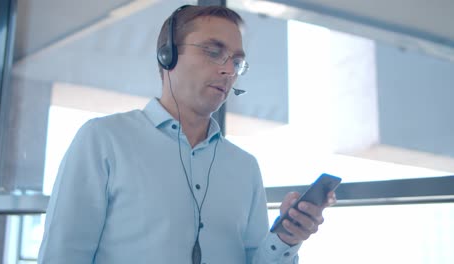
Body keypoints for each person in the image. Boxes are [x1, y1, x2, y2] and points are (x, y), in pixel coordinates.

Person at [38, 4, 336, 264]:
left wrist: (285, 239)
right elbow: (63, 254)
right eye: (214, 52)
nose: (228, 70)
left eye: (236, 61)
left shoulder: (244, 167)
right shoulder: (103, 140)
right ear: (167, 56)